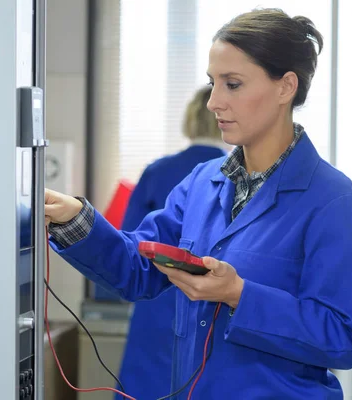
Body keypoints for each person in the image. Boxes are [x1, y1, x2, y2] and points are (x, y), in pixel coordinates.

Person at [45, 8, 352, 399]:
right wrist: (76, 220)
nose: (214, 101)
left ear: (286, 87)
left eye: (232, 84)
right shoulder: (202, 183)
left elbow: (345, 338)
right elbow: (136, 269)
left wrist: (239, 294)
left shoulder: (334, 201)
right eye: (212, 83)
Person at [116, 86, 229, 399]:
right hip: (213, 309)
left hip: (156, 306)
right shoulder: (241, 177)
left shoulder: (158, 172)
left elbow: (128, 248)